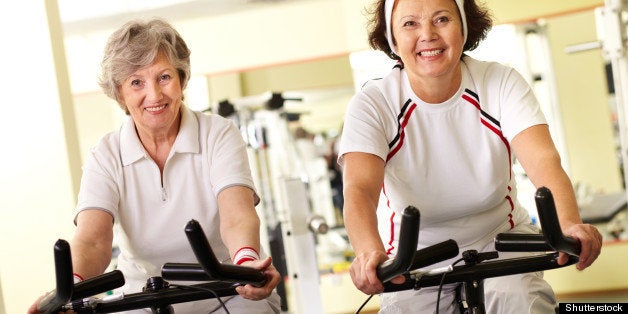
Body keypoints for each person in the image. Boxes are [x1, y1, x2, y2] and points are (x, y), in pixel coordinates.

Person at [338, 0, 603, 312]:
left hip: (501, 238)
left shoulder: (500, 82)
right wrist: (369, 252)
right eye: (410, 24)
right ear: (393, 39)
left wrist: (568, 224)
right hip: (418, 251)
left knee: (521, 299)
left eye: (442, 19)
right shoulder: (374, 104)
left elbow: (544, 162)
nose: (427, 35)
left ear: (463, 27)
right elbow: (359, 190)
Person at [29, 19, 281, 313]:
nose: (155, 95)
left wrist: (246, 260)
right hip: (144, 296)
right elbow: (93, 240)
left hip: (228, 290)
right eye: (137, 82)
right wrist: (69, 289)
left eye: (164, 77)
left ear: (182, 79)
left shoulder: (218, 133)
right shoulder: (105, 155)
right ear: (120, 93)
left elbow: (237, 215)